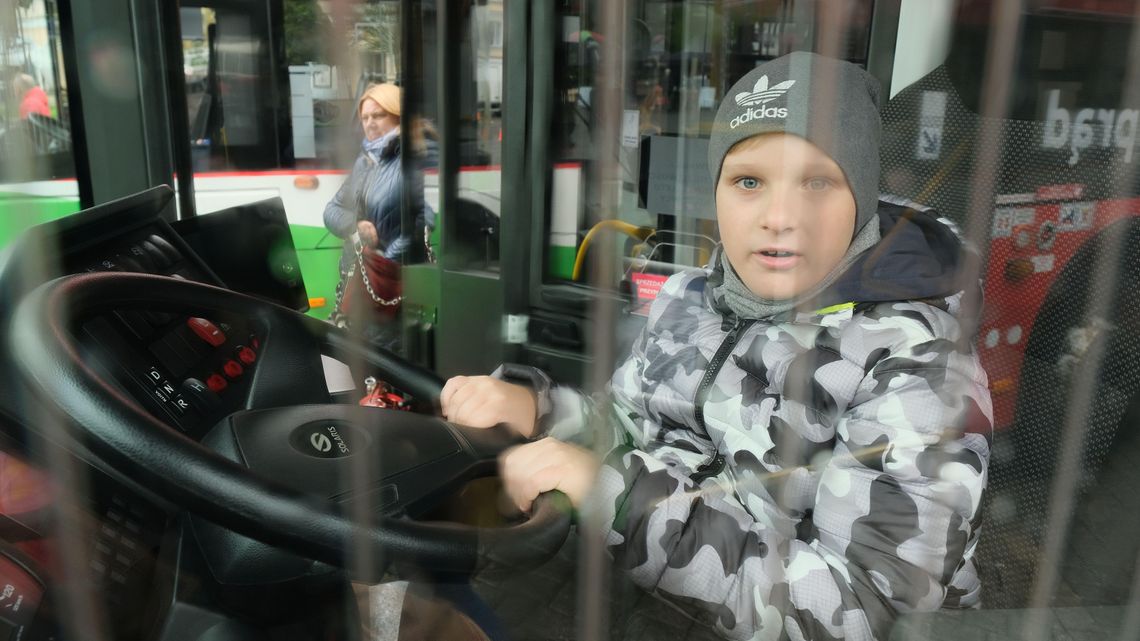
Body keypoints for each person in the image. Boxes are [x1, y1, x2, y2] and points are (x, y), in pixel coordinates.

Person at [441, 52, 993, 640]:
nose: (779, 217)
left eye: (818, 182)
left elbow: (866, 612)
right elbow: (627, 427)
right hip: (639, 603)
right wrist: (540, 412)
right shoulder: (691, 297)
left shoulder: (918, 364)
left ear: (859, 196)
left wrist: (624, 504)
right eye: (749, 181)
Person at [325, 83, 437, 348]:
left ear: (397, 115)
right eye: (365, 117)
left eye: (378, 115)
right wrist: (357, 226)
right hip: (367, 288)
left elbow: (424, 217)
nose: (370, 123)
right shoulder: (366, 162)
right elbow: (331, 210)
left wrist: (384, 264)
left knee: (388, 366)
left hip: (394, 288)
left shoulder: (417, 156)